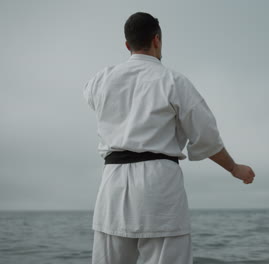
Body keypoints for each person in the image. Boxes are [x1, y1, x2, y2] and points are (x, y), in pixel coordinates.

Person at [82, 12, 255, 264]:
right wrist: (234, 168)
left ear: (128, 45)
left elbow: (89, 96)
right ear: (157, 40)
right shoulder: (174, 82)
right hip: (158, 185)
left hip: (113, 184)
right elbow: (206, 136)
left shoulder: (100, 80)